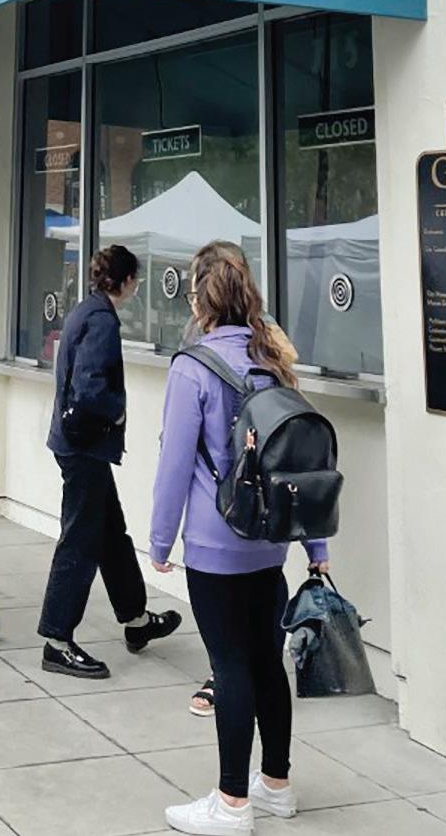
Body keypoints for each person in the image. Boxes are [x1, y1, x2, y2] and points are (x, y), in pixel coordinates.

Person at [150, 243, 330, 835]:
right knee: (266, 663)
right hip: (271, 541)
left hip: (215, 542)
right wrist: (317, 550)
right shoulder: (271, 361)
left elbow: (175, 463)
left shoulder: (192, 367)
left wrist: (160, 542)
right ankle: (275, 785)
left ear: (199, 300)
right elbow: (303, 462)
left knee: (228, 666)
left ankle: (230, 803)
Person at [37, 244, 182, 679]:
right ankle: (57, 640)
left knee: (110, 535)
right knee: (80, 540)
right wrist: (116, 412)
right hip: (85, 447)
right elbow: (91, 388)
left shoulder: (86, 310)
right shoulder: (101, 320)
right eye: (136, 279)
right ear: (127, 281)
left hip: (77, 444)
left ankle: (136, 620)